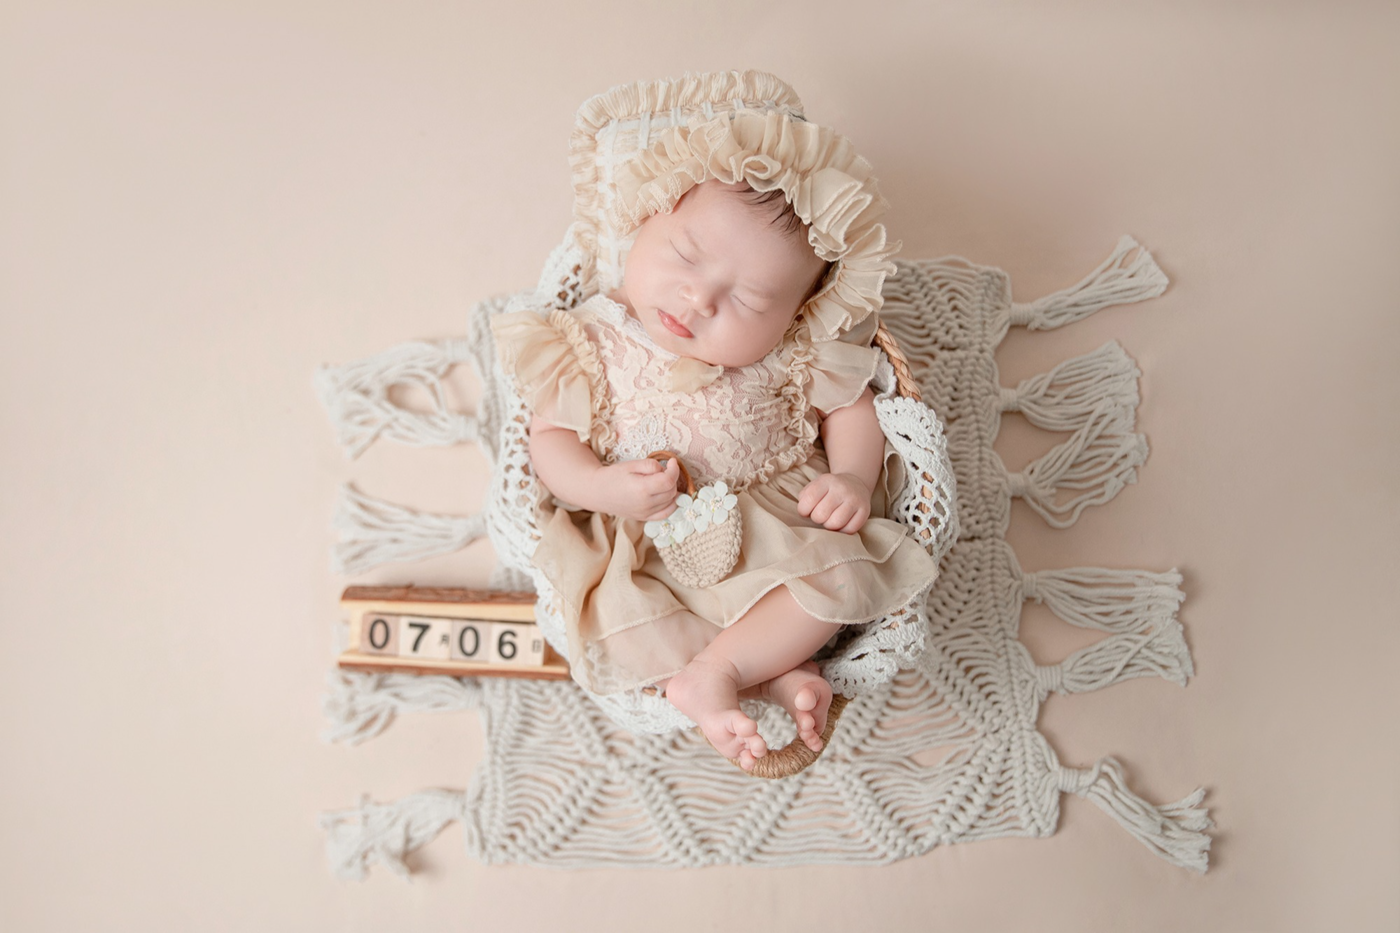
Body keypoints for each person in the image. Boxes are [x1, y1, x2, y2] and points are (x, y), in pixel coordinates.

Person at [493, 120, 938, 770]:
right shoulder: (586, 339)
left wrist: (852, 477)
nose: (698, 298)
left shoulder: (797, 352)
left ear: (797, 312)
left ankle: (733, 668)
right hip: (649, 546)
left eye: (750, 299)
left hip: (776, 536)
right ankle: (758, 673)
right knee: (631, 621)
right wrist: (599, 486)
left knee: (843, 569)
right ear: (646, 220)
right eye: (685, 254)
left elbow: (851, 406)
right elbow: (551, 439)